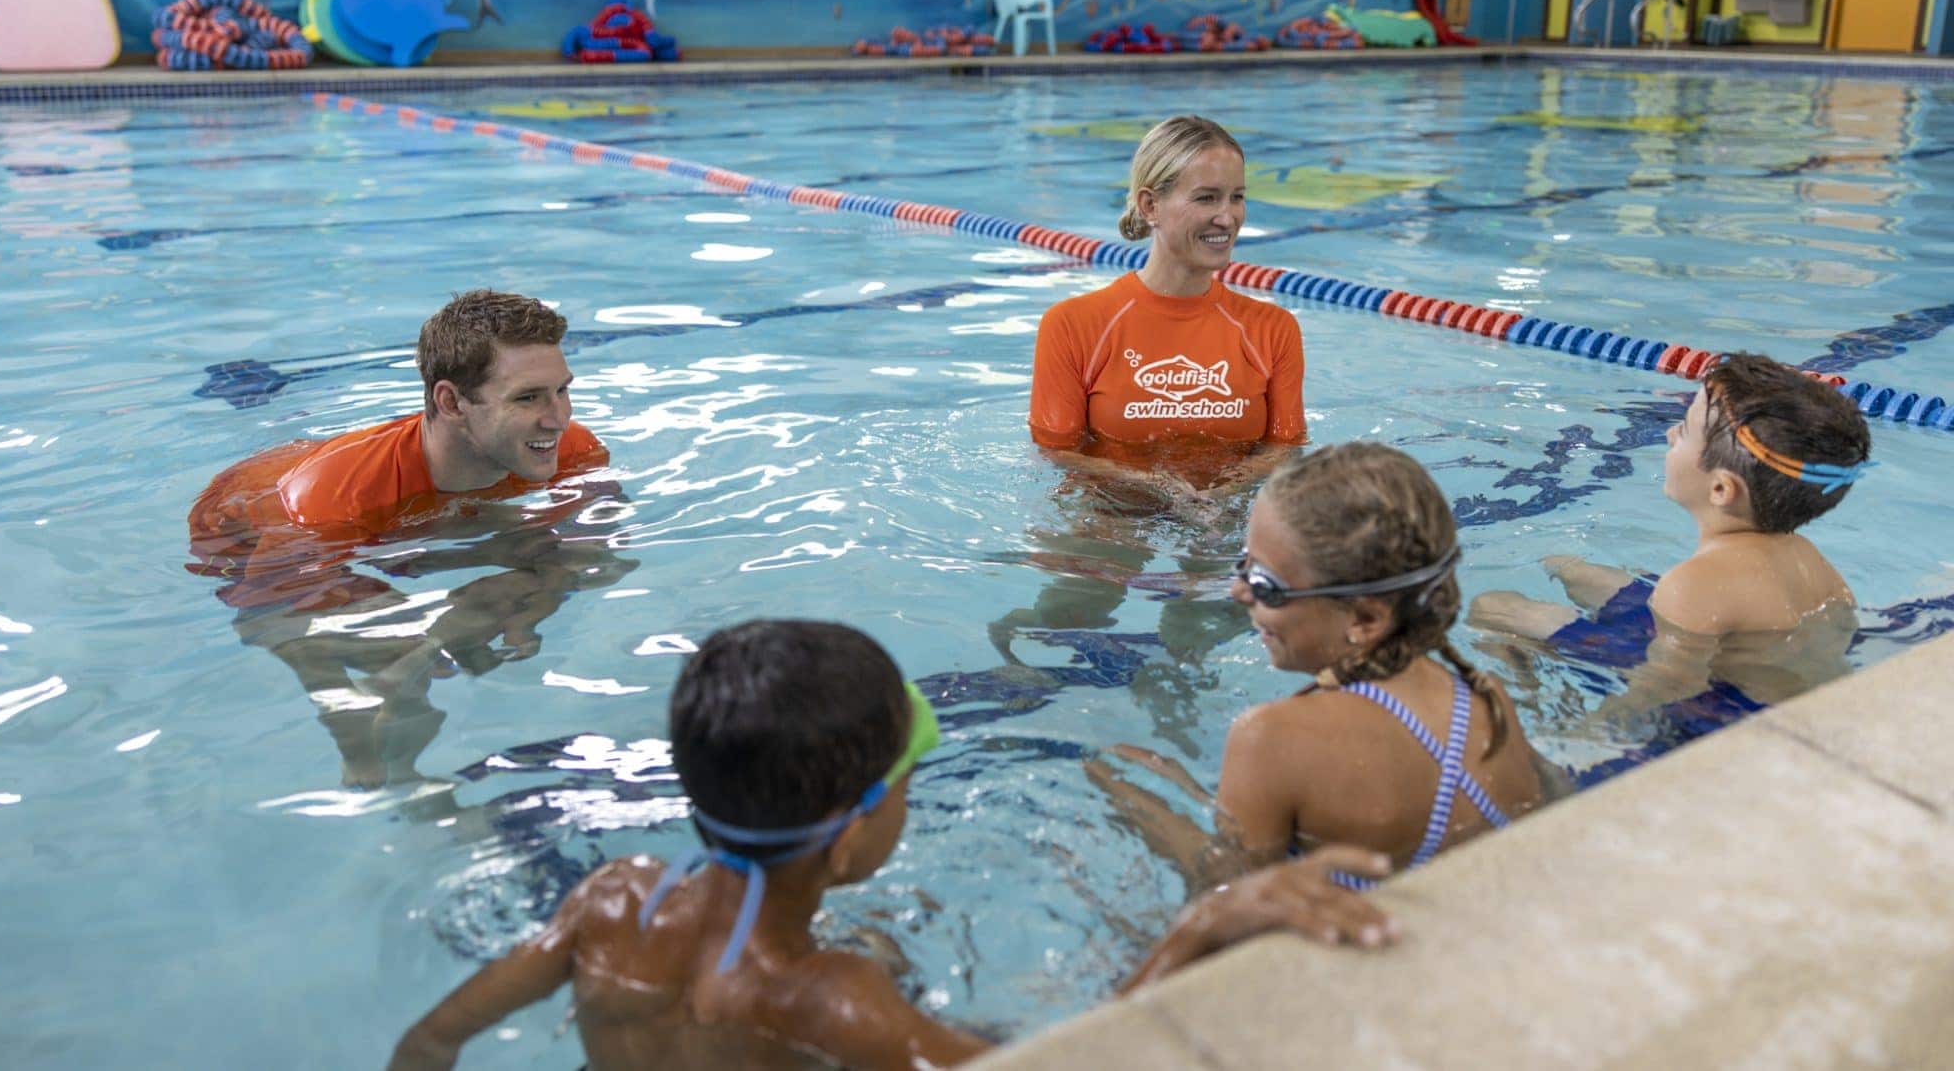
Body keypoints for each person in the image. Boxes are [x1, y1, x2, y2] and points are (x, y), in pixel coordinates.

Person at [388, 620, 1399, 1071]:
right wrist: (1199, 928)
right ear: (848, 835)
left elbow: (428, 1041)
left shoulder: (608, 904)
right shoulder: (831, 999)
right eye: (907, 787)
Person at [187, 289, 631, 786]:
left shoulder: (569, 449)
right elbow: (264, 612)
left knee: (532, 574)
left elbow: (599, 553)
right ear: (451, 401)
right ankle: (375, 764)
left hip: (407, 515)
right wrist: (405, 662)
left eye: (562, 390)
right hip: (246, 526)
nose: (558, 417)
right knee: (405, 652)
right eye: (528, 397)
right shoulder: (329, 502)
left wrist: (538, 598)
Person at [1088, 443, 1544, 890]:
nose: (1237, 592)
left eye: (1266, 583)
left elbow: (1228, 889)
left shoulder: (1272, 737)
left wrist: (1131, 795)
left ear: (1365, 619)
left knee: (1113, 772)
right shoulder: (1485, 697)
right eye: (1242, 564)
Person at [998, 118, 1306, 746]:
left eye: (1238, 196)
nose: (1229, 217)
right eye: (1207, 197)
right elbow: (1056, 454)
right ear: (1150, 206)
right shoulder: (1076, 324)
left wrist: (1220, 495)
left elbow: (1284, 448)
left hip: (1223, 517)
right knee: (1058, 628)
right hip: (1111, 511)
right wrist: (1159, 490)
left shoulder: (1272, 329)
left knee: (1201, 639)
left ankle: (1175, 721)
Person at [1470, 353, 1872, 727]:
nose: (1667, 434)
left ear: (1720, 490)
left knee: (1492, 607)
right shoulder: (1805, 555)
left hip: (1720, 708)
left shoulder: (1691, 585)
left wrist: (1585, 735)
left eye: (1684, 432)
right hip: (1744, 667)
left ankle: (1529, 699)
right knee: (1570, 569)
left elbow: (1663, 690)